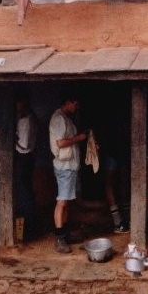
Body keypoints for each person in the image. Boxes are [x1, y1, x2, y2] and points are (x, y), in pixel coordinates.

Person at [49, 97, 87, 253]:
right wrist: (79, 138)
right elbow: (60, 143)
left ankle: (64, 234)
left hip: (70, 166)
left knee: (67, 201)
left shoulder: (66, 118)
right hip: (64, 167)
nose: (77, 106)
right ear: (67, 102)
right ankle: (59, 237)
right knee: (62, 201)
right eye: (75, 103)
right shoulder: (59, 118)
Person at [14, 94, 38, 241]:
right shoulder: (33, 118)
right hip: (30, 158)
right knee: (27, 191)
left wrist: (10, 140)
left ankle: (28, 229)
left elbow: (23, 144)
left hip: (23, 157)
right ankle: (31, 226)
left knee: (24, 194)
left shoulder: (25, 121)